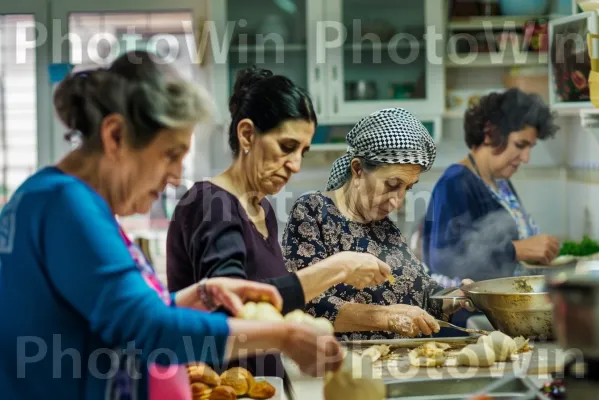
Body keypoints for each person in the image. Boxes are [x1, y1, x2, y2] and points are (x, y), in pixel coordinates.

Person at [0, 52, 343, 400]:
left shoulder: (54, 196)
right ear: (115, 136)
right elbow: (148, 329)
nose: (177, 175)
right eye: (170, 154)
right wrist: (282, 336)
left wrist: (199, 295)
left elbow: (120, 313)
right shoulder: (67, 206)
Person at [165, 66, 391, 393]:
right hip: (223, 391)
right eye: (286, 147)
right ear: (246, 135)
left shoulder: (262, 209)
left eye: (302, 151)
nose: (295, 165)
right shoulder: (209, 203)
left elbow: (271, 301)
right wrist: (339, 266)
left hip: (262, 388)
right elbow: (234, 309)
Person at [281, 108, 472, 341]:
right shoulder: (312, 213)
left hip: (397, 366)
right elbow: (304, 305)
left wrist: (456, 298)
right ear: (358, 169)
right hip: (340, 368)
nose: (398, 200)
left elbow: (423, 297)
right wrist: (386, 317)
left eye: (407, 188)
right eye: (392, 184)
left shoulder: (384, 227)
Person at [422, 88, 560, 288]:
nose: (526, 158)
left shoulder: (501, 182)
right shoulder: (455, 182)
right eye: (520, 145)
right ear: (490, 133)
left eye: (530, 148)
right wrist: (516, 250)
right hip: (469, 311)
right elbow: (444, 259)